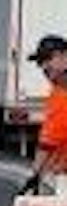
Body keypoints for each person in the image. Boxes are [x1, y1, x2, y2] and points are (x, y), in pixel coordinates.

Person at [33, 35, 67, 191]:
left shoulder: (61, 93)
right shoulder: (58, 91)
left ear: (64, 56)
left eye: (48, 59)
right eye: (40, 62)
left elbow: (47, 144)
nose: (44, 67)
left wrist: (35, 175)